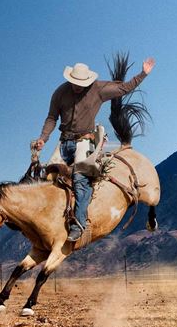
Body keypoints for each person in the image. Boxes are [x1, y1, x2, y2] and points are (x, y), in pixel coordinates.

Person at [34, 57, 155, 241]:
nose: (77, 86)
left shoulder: (98, 89)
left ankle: (79, 224)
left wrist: (143, 74)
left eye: (80, 83)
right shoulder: (60, 92)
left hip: (85, 142)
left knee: (80, 179)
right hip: (64, 143)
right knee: (46, 177)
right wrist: (43, 138)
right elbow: (52, 118)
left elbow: (123, 88)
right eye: (74, 83)